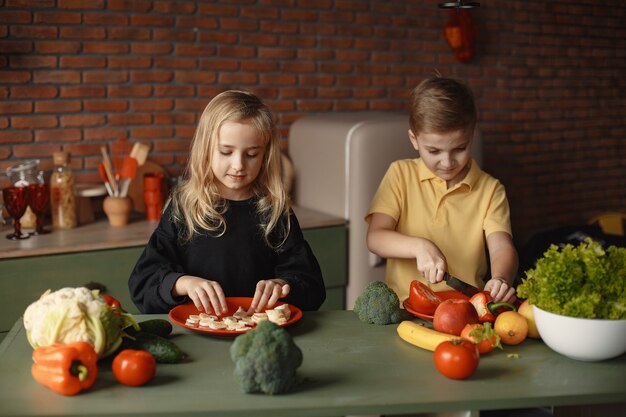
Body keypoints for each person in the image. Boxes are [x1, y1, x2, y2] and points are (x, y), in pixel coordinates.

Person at [129, 90, 326, 314]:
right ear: (206, 149)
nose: (238, 165)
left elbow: (312, 286)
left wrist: (282, 286)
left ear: (266, 155)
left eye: (251, 154)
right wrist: (183, 283)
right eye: (225, 152)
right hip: (198, 336)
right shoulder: (183, 208)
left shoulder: (275, 212)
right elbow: (142, 283)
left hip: (258, 335)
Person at [366, 76, 518, 304]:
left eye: (459, 148)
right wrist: (419, 246)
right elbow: (375, 238)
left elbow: (501, 248)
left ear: (472, 135)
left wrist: (501, 278)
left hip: (465, 309)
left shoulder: (490, 190)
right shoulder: (399, 174)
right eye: (434, 151)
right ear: (414, 139)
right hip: (404, 308)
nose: (447, 162)